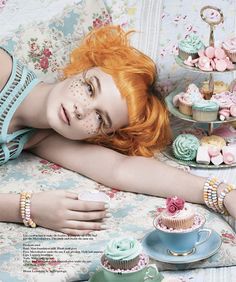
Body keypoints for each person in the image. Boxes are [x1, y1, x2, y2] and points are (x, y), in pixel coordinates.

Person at [0, 25, 235, 235]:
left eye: (100, 119)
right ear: (80, 69)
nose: (82, 111)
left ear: (99, 135)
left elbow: (120, 169)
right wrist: (25, 208)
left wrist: (222, 194)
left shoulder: (41, 135)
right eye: (90, 88)